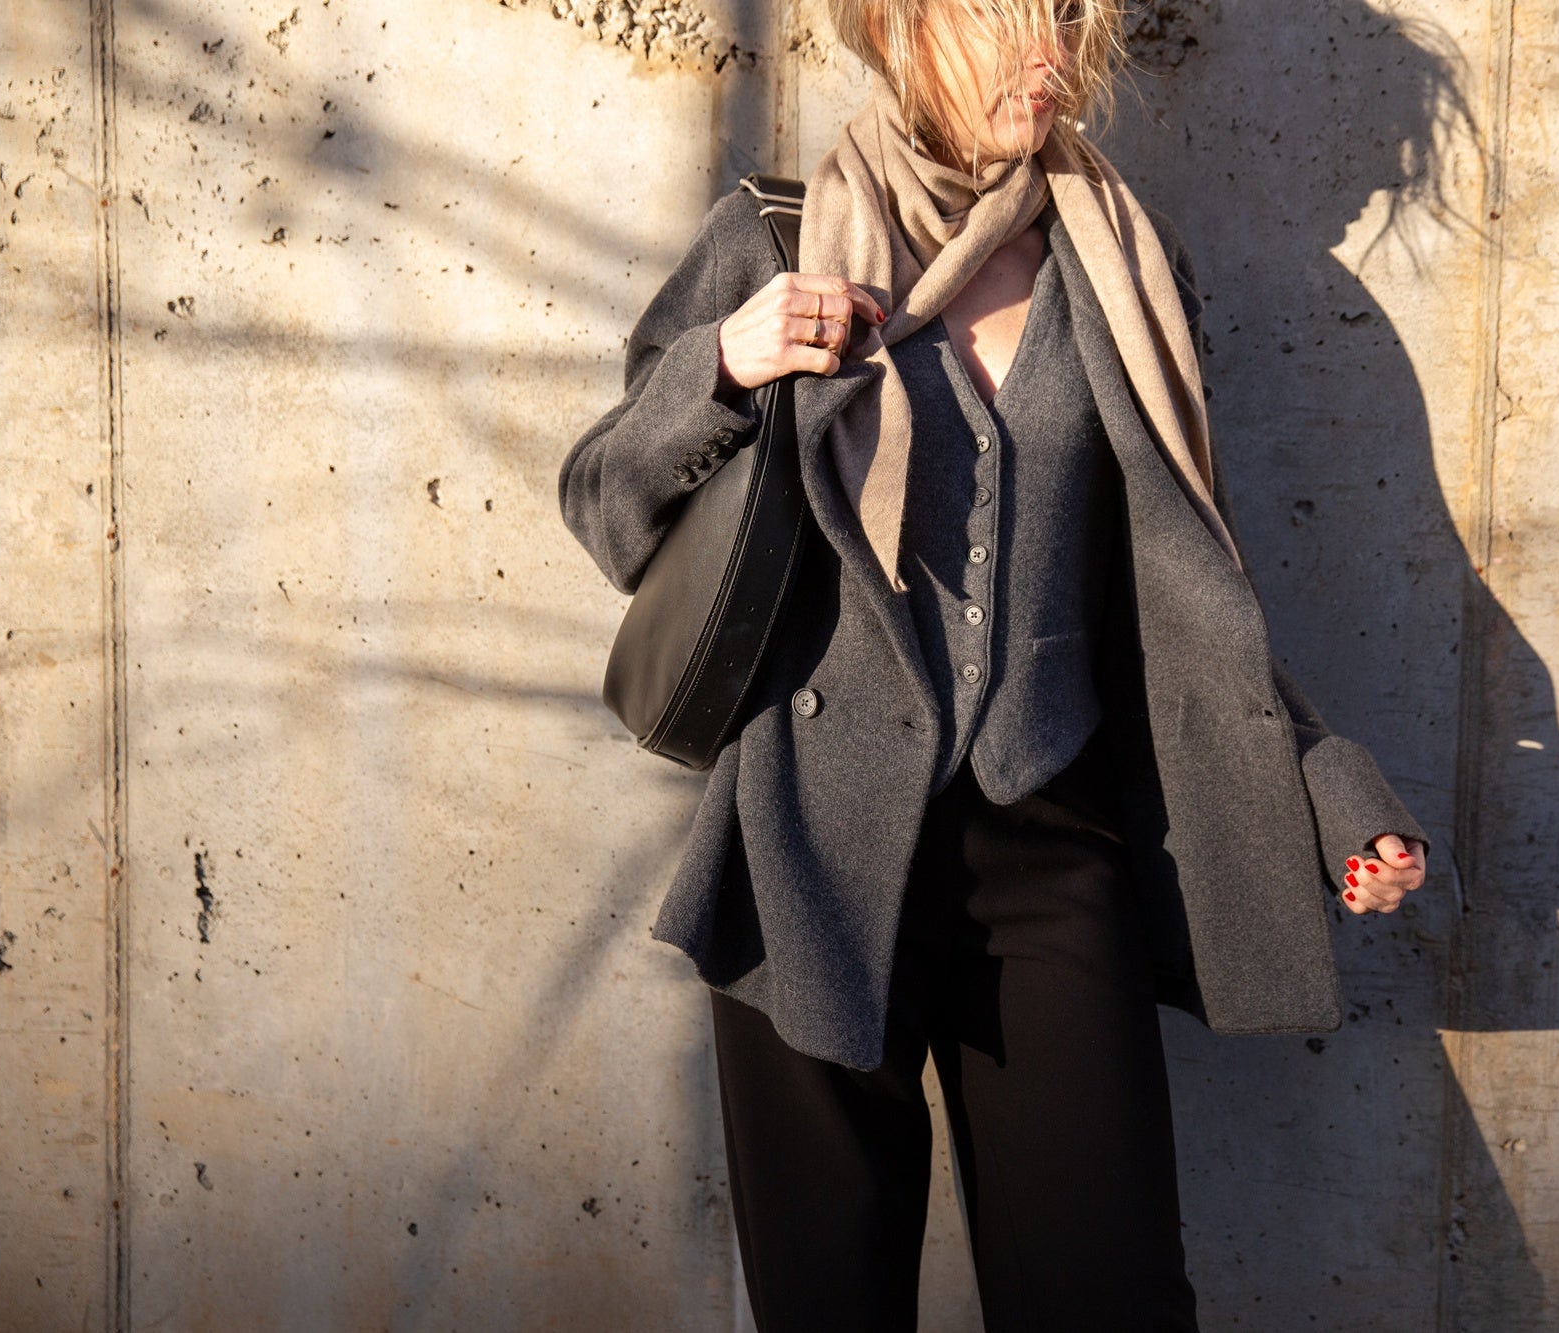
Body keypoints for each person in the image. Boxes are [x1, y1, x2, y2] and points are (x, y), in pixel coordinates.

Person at [559, 0, 1430, 1326]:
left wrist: (1331, 793)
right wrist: (724, 368)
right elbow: (603, 503)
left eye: (1075, 12)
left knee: (1110, 1296)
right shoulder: (772, 240)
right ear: (905, 24)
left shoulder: (1122, 271)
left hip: (1048, 847)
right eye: (1013, 12)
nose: (1055, 51)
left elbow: (1186, 595)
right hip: (808, 849)